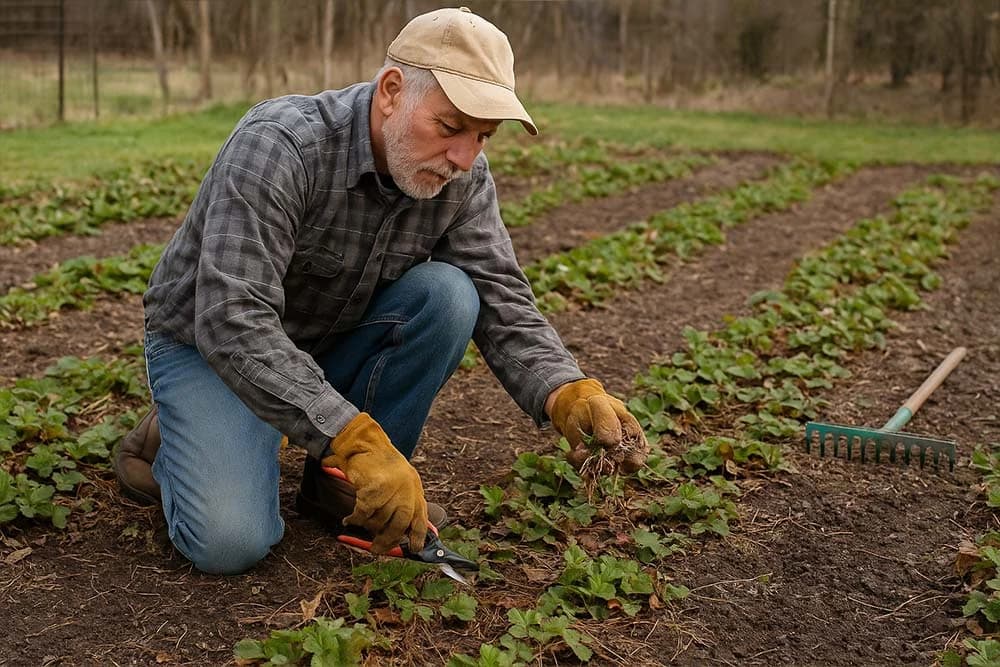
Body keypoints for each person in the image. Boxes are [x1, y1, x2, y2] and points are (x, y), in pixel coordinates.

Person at [113, 6, 648, 576]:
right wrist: (352, 436)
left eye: (483, 137)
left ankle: (335, 488)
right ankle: (173, 438)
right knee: (230, 542)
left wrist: (564, 390)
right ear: (392, 91)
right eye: (449, 127)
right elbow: (232, 320)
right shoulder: (280, 146)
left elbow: (499, 294)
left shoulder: (462, 177)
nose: (464, 157)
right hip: (212, 348)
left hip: (324, 337)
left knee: (450, 295)